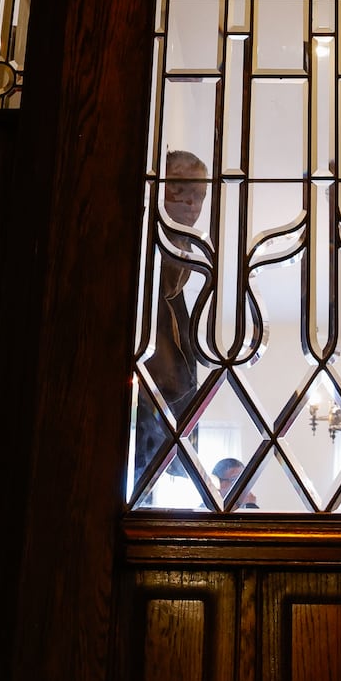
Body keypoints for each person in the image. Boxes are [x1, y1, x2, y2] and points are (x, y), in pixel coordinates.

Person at [133, 148, 210, 490]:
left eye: (199, 196)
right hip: (147, 372)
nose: (193, 205)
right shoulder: (148, 233)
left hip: (167, 380)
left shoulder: (180, 241)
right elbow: (161, 286)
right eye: (181, 191)